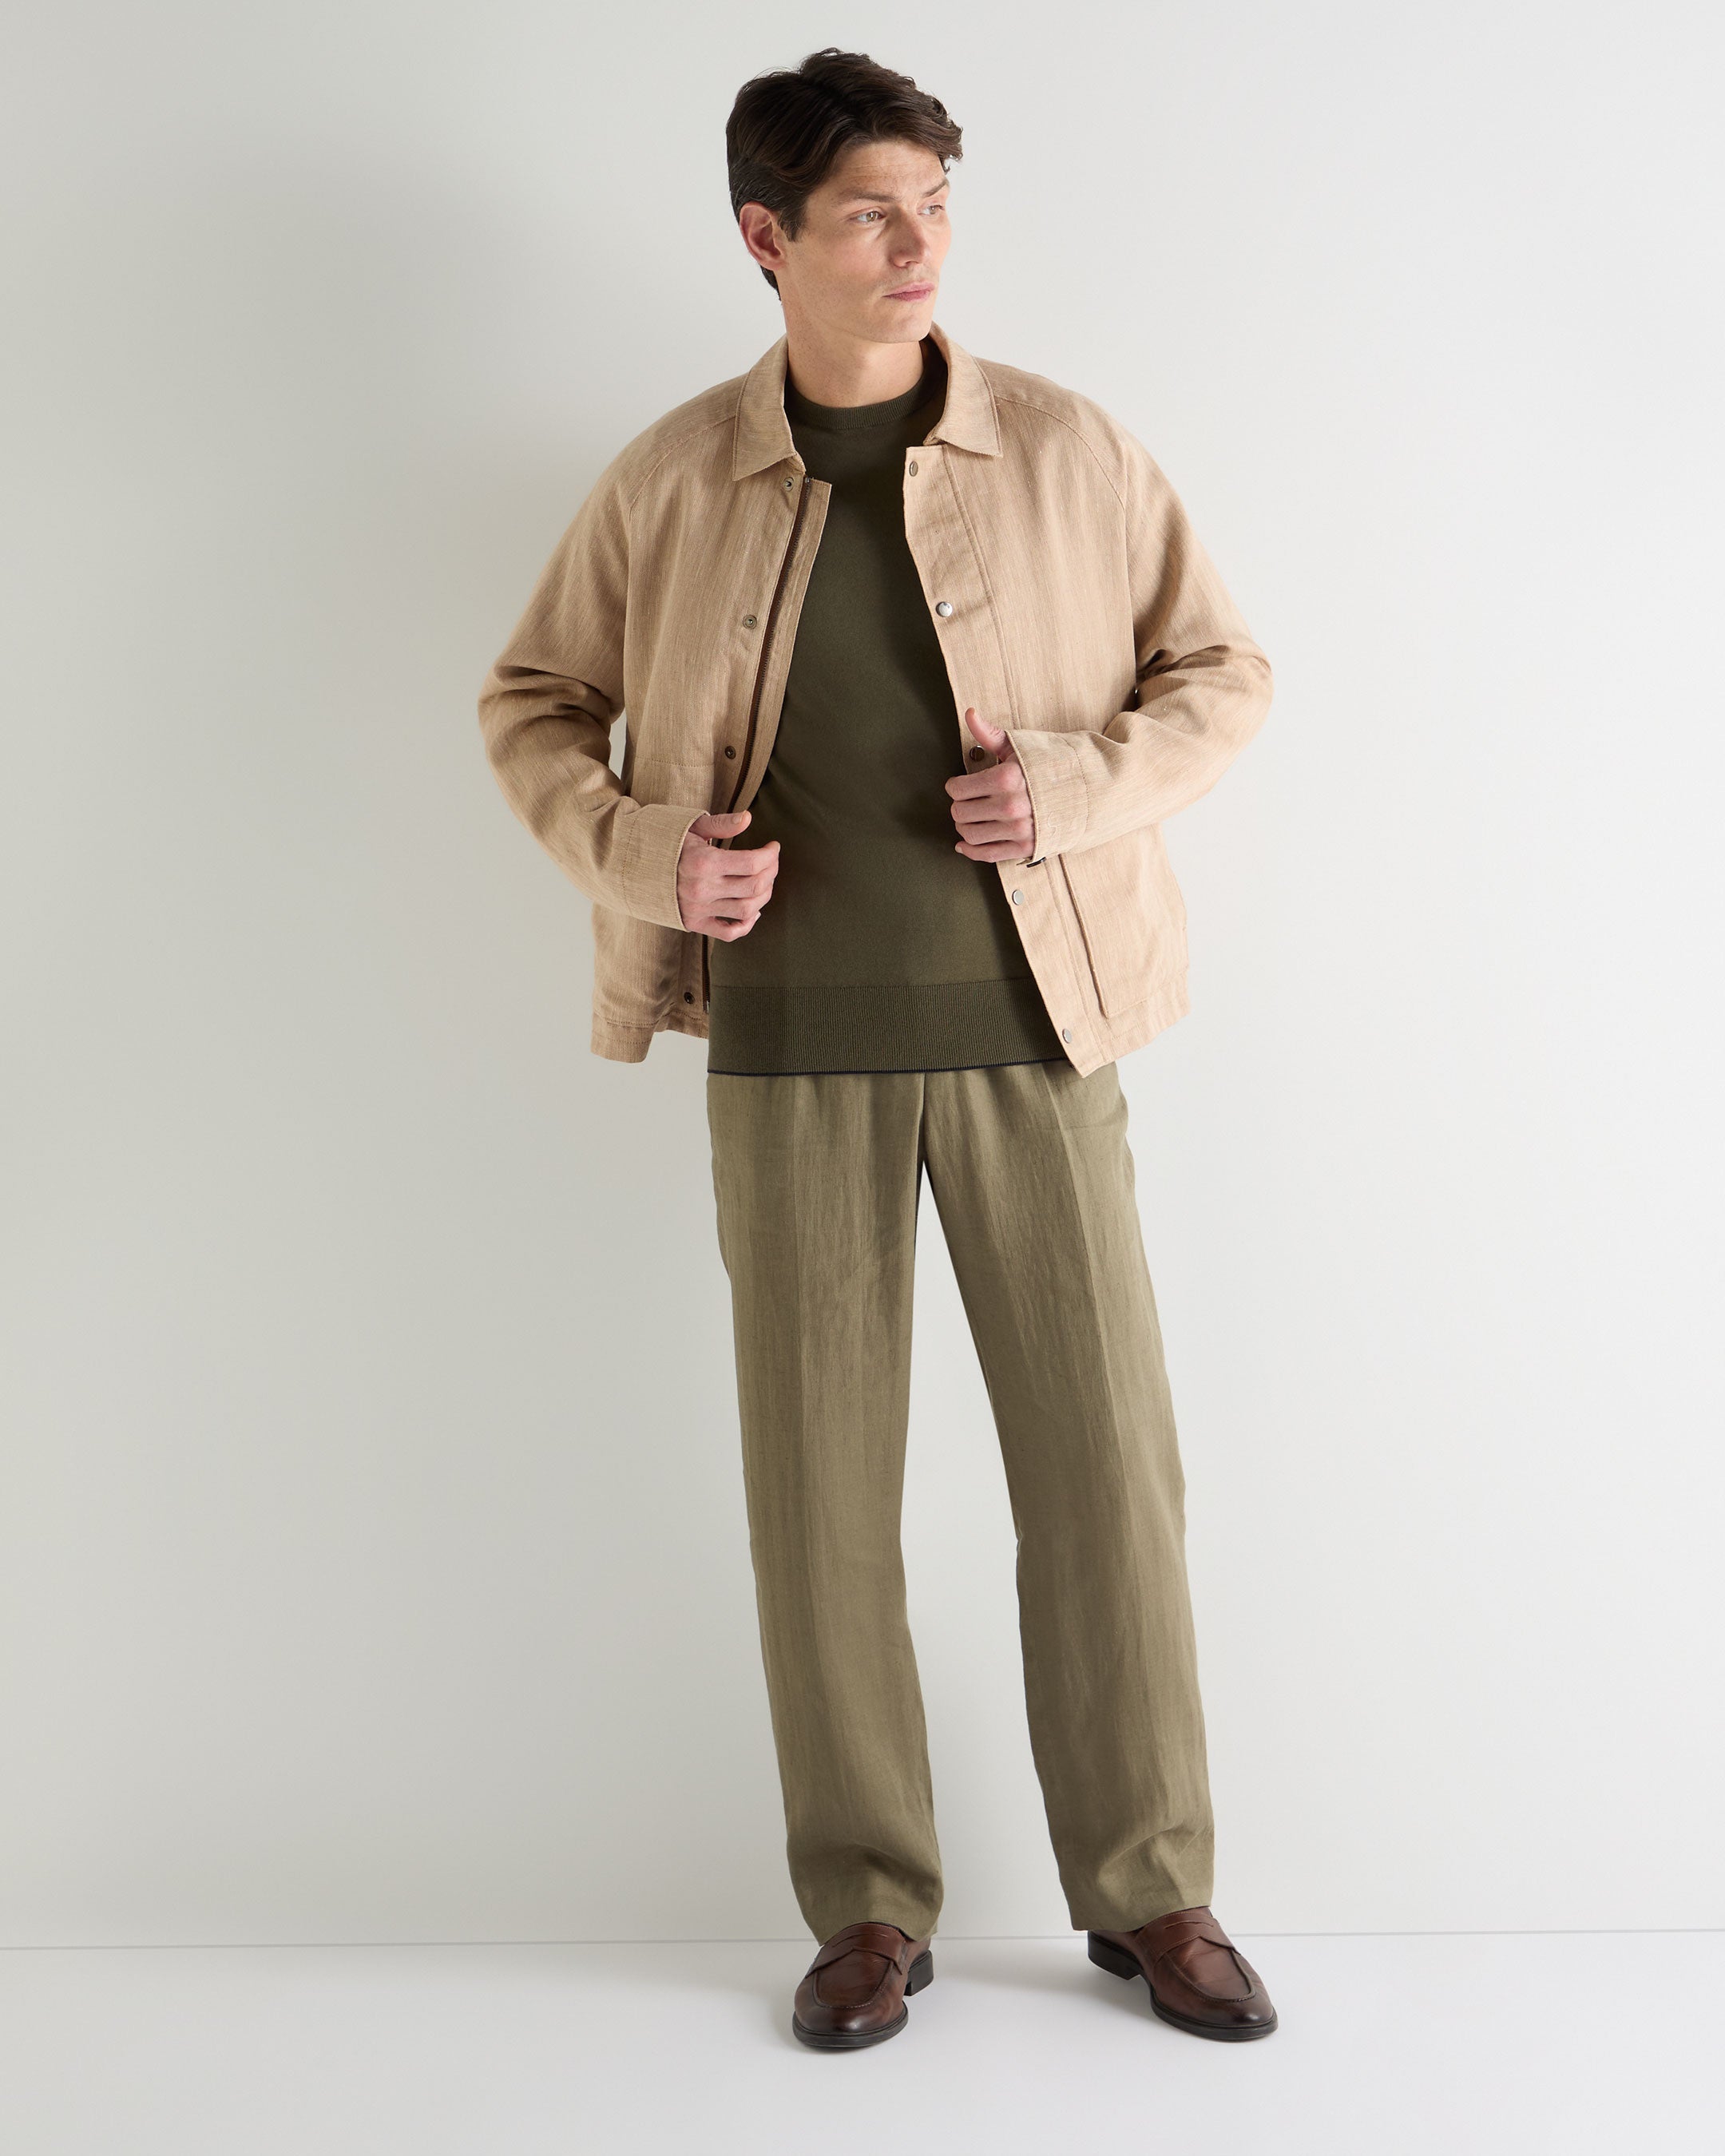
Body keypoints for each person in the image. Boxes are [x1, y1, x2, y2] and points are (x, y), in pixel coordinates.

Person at [477, 47, 1278, 2051]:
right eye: (868, 215)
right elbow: (533, 699)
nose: (918, 248)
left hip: (1037, 1035)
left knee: (1106, 1472)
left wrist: (1074, 785)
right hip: (788, 1049)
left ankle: (1152, 1891)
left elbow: (1221, 672)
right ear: (767, 238)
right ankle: (863, 1908)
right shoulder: (676, 477)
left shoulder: (1068, 452)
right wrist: (651, 854)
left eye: (933, 206)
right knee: (819, 1497)